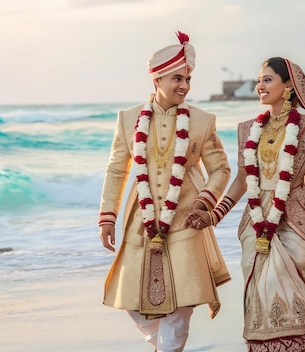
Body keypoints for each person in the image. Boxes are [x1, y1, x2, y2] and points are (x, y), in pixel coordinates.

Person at [184, 57, 305, 352]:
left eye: (267, 80)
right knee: (260, 297)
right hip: (255, 225)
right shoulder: (248, 129)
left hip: (298, 222)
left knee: (292, 297)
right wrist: (213, 216)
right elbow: (242, 179)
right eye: (259, 80)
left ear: (287, 86)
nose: (259, 86)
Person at [98, 31, 232, 351]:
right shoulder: (128, 119)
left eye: (188, 78)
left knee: (181, 302)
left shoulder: (201, 121)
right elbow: (117, 169)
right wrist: (107, 216)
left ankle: (168, 344)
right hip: (140, 223)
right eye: (177, 78)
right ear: (157, 78)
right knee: (132, 296)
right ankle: (159, 341)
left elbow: (221, 169)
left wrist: (204, 203)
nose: (185, 85)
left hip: (186, 219)